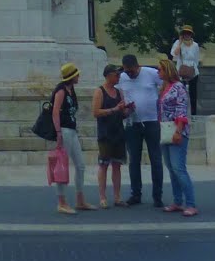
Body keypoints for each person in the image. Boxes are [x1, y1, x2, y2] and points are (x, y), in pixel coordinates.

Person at [118, 54, 164, 207]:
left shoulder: (150, 73)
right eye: (127, 72)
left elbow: (164, 86)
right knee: (134, 160)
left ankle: (157, 195)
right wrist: (125, 109)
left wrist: (159, 103)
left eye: (131, 71)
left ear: (138, 66)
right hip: (133, 123)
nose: (129, 75)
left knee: (156, 158)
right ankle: (135, 194)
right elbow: (121, 96)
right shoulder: (122, 77)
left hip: (151, 121)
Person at [51, 63, 95, 214]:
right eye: (77, 74)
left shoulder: (71, 90)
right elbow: (55, 111)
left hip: (71, 129)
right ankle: (61, 202)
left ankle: (80, 199)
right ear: (71, 76)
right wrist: (58, 133)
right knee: (62, 167)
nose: (79, 76)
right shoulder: (61, 91)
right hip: (63, 130)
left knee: (80, 165)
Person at [157, 58, 198, 217]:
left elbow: (181, 110)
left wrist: (179, 131)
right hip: (165, 129)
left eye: (160, 69)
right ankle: (177, 200)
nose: (158, 72)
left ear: (167, 70)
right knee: (171, 168)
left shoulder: (178, 87)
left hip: (176, 130)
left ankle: (191, 203)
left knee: (179, 168)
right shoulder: (163, 87)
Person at [92, 64, 128, 208]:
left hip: (119, 132)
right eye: (116, 75)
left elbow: (122, 113)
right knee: (104, 164)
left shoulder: (119, 92)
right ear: (108, 75)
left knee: (117, 165)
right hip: (105, 133)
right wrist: (114, 109)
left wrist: (127, 110)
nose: (119, 77)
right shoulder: (99, 91)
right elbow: (95, 112)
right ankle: (102, 197)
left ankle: (117, 197)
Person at [170, 25, 200, 116]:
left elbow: (196, 58)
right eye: (185, 33)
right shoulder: (178, 43)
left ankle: (194, 113)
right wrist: (179, 43)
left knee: (193, 93)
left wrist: (193, 68)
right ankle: (181, 113)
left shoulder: (195, 45)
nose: (187, 35)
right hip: (181, 69)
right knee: (181, 93)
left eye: (189, 33)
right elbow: (174, 54)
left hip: (192, 69)